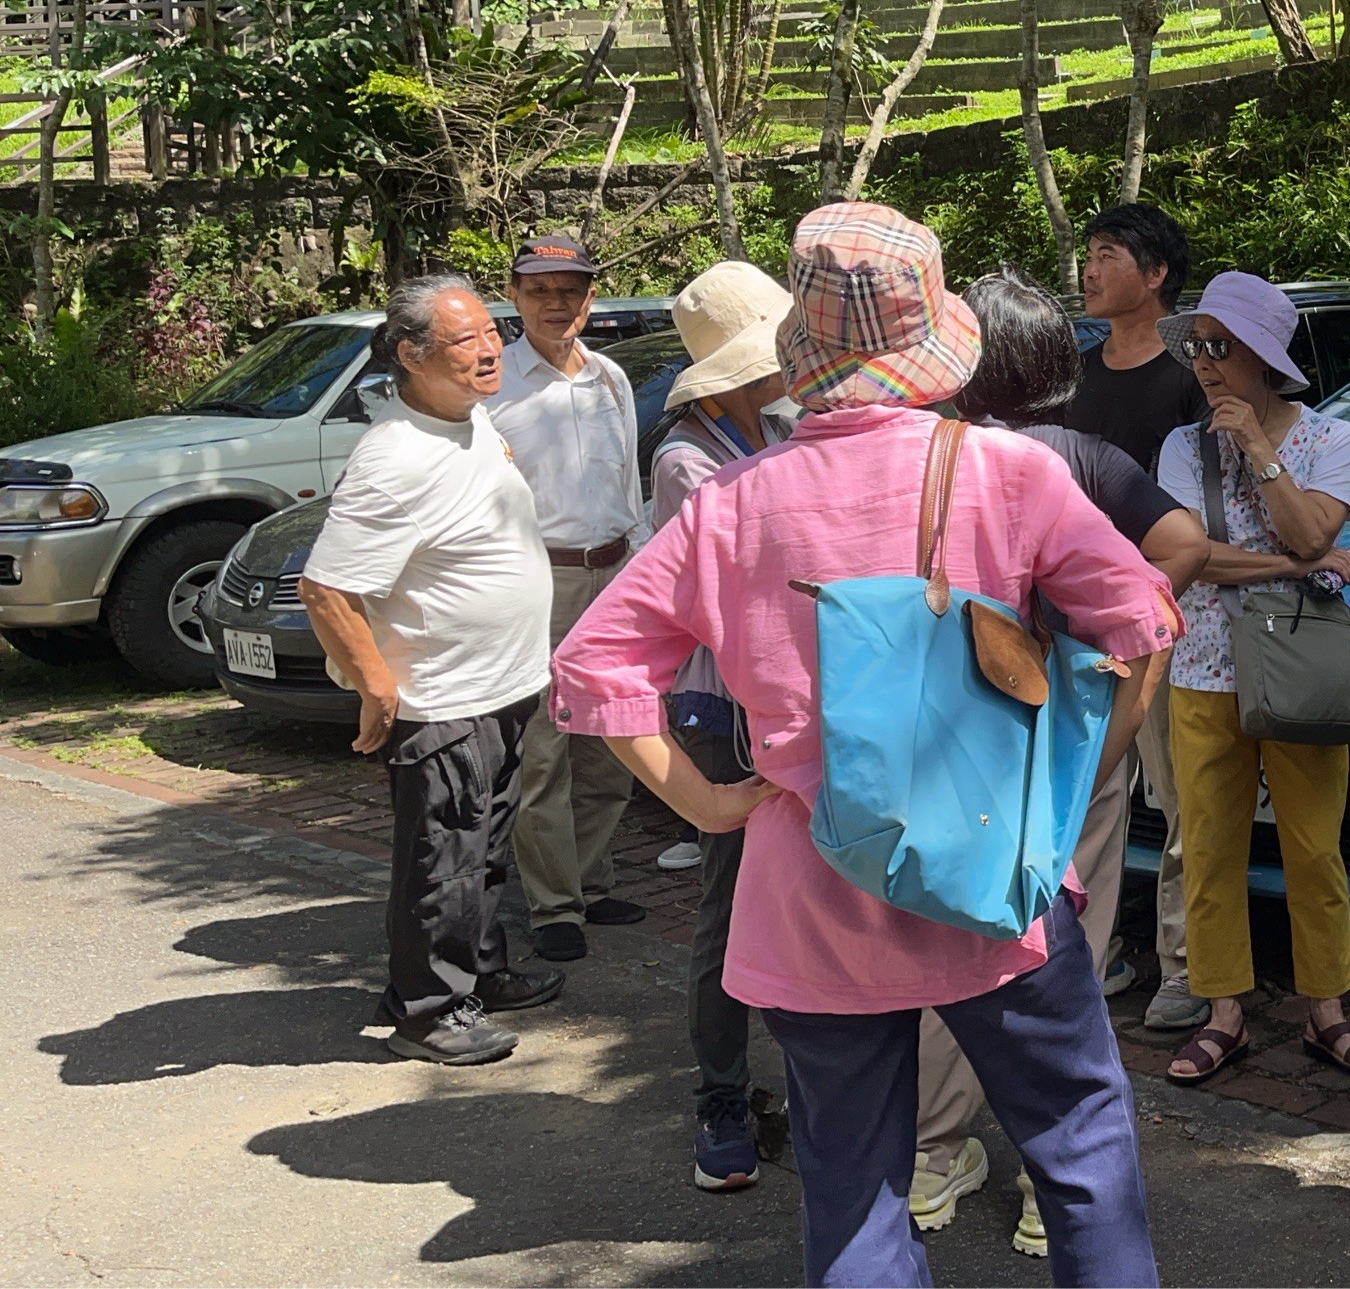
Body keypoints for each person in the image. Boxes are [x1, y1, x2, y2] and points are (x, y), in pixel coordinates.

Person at [550, 203, 1175, 1289]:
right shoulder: (1007, 472)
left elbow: (592, 673)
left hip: (808, 882)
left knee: (852, 1196)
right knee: (1081, 1150)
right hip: (994, 863)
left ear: (804, 347)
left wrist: (706, 805)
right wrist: (1073, 788)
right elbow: (1142, 620)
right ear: (931, 333)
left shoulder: (733, 504)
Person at [909, 269, 1211, 1252]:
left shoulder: (933, 456)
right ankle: (1056, 1184)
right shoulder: (1081, 457)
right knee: (1067, 953)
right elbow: (1184, 544)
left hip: (954, 743)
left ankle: (931, 1152)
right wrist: (1100, 635)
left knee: (946, 943)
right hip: (1074, 738)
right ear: (1049, 362)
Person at [298, 275, 565, 1066]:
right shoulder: (394, 456)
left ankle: (476, 975)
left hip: (506, 682)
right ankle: (426, 1009)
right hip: (444, 696)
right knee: (441, 857)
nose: (491, 350)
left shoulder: (473, 424)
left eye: (494, 332)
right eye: (467, 340)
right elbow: (327, 586)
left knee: (483, 849)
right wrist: (377, 686)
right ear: (412, 356)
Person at [1150, 270, 1350, 1086]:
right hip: (1204, 667)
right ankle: (1222, 1012)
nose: (1206, 363)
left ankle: (1329, 1012)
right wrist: (1291, 562)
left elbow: (1317, 534)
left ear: (1265, 357)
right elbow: (1187, 557)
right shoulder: (1182, 446)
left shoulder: (1332, 439)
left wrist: (1257, 450)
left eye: (1222, 347)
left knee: (1314, 848)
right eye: (1199, 349)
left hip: (1297, 663)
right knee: (1208, 847)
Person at [644, 260, 798, 1194]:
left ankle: (807, 1086)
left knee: (807, 897)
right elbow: (722, 583)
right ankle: (722, 1095)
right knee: (730, 900)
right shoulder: (683, 458)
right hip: (723, 705)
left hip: (791, 696)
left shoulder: (780, 427)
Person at [1064, 202, 1215, 1033]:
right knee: (1087, 793)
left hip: (1167, 616)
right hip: (1074, 621)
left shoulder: (1190, 378)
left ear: (1156, 275)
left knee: (1181, 798)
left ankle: (1185, 964)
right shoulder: (1076, 376)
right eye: (1088, 253)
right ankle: (1095, 951)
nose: (1089, 269)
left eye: (1109, 254)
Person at [485, 233, 651, 963]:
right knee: (543, 748)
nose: (557, 303)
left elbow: (630, 493)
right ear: (515, 296)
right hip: (536, 579)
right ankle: (554, 904)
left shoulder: (610, 377)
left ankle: (589, 878)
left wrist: (645, 573)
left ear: (591, 296)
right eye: (540, 290)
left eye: (570, 289)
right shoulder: (492, 383)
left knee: (611, 736)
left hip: (614, 575)